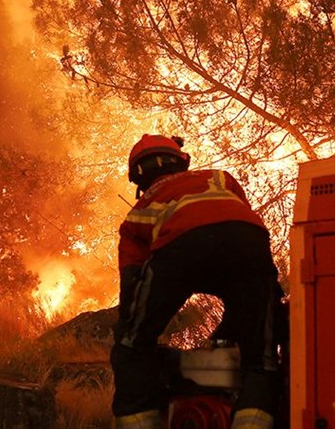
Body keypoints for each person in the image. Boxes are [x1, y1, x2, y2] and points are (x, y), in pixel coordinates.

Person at [111, 134, 281, 429]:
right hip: (249, 240)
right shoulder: (219, 179)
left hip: (180, 246)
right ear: (182, 163)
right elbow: (230, 230)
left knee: (132, 346)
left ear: (139, 178)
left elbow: (132, 285)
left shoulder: (138, 214)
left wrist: (131, 331)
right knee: (261, 358)